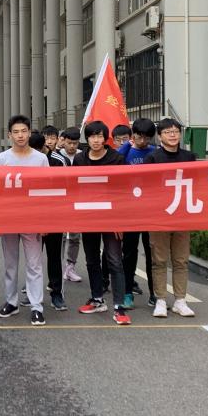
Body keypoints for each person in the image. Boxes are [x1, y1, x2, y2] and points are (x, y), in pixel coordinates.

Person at [73, 121, 130, 325]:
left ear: (105, 138)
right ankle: (97, 298)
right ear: (87, 138)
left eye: (99, 136)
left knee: (114, 260)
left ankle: (119, 306)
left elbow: (123, 191)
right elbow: (74, 187)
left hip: (112, 217)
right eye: (92, 136)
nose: (96, 140)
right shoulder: (80, 159)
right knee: (91, 260)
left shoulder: (117, 159)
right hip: (88, 216)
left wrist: (120, 221)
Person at [0, 115, 49, 324]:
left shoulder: (40, 159)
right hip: (8, 218)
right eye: (16, 132)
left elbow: (47, 191)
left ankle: (36, 306)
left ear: (29, 133)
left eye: (24, 131)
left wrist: (44, 221)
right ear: (9, 135)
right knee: (10, 263)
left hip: (32, 218)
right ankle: (11, 302)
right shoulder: (2, 159)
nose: (20, 136)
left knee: (34, 264)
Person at [144, 118, 197, 319]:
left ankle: (180, 300)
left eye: (175, 131)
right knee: (159, 260)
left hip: (182, 215)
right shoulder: (152, 158)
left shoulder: (189, 157)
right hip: (159, 216)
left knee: (181, 260)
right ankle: (160, 299)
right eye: (168, 132)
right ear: (160, 136)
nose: (173, 135)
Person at [118, 117, 157, 306]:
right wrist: (127, 144)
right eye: (139, 137)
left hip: (150, 210)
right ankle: (127, 292)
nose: (143, 141)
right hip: (130, 210)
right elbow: (115, 162)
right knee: (129, 252)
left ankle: (155, 293)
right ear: (133, 135)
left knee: (152, 253)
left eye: (147, 138)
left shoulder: (154, 152)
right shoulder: (125, 152)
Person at [32, 132, 67, 311]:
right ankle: (32, 291)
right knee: (33, 258)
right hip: (33, 216)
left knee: (54, 256)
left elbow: (66, 187)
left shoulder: (58, 161)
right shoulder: (27, 158)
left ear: (43, 148)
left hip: (53, 216)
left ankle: (56, 292)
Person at [59, 127, 83, 282]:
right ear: (63, 141)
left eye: (75, 143)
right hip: (61, 200)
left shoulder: (83, 156)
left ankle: (70, 267)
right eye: (69, 143)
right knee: (60, 236)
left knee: (75, 236)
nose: (72, 146)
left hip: (77, 200)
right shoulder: (58, 156)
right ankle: (59, 266)